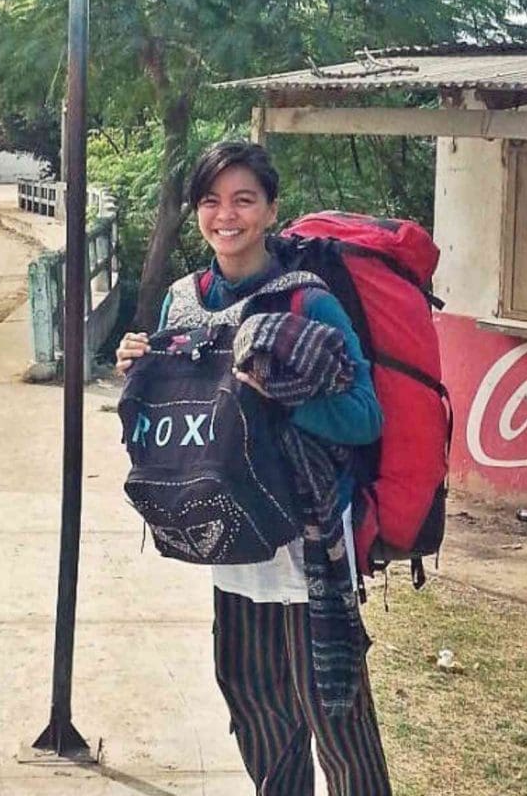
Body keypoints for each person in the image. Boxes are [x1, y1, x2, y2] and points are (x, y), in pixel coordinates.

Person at [116, 140, 393, 795]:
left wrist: (276, 404)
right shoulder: (182, 300)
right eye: (211, 201)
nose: (226, 215)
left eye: (244, 199)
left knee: (341, 730)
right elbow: (182, 413)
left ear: (271, 210)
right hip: (228, 541)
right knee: (261, 730)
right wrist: (144, 370)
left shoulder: (307, 301)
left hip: (307, 551)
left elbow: (364, 417)